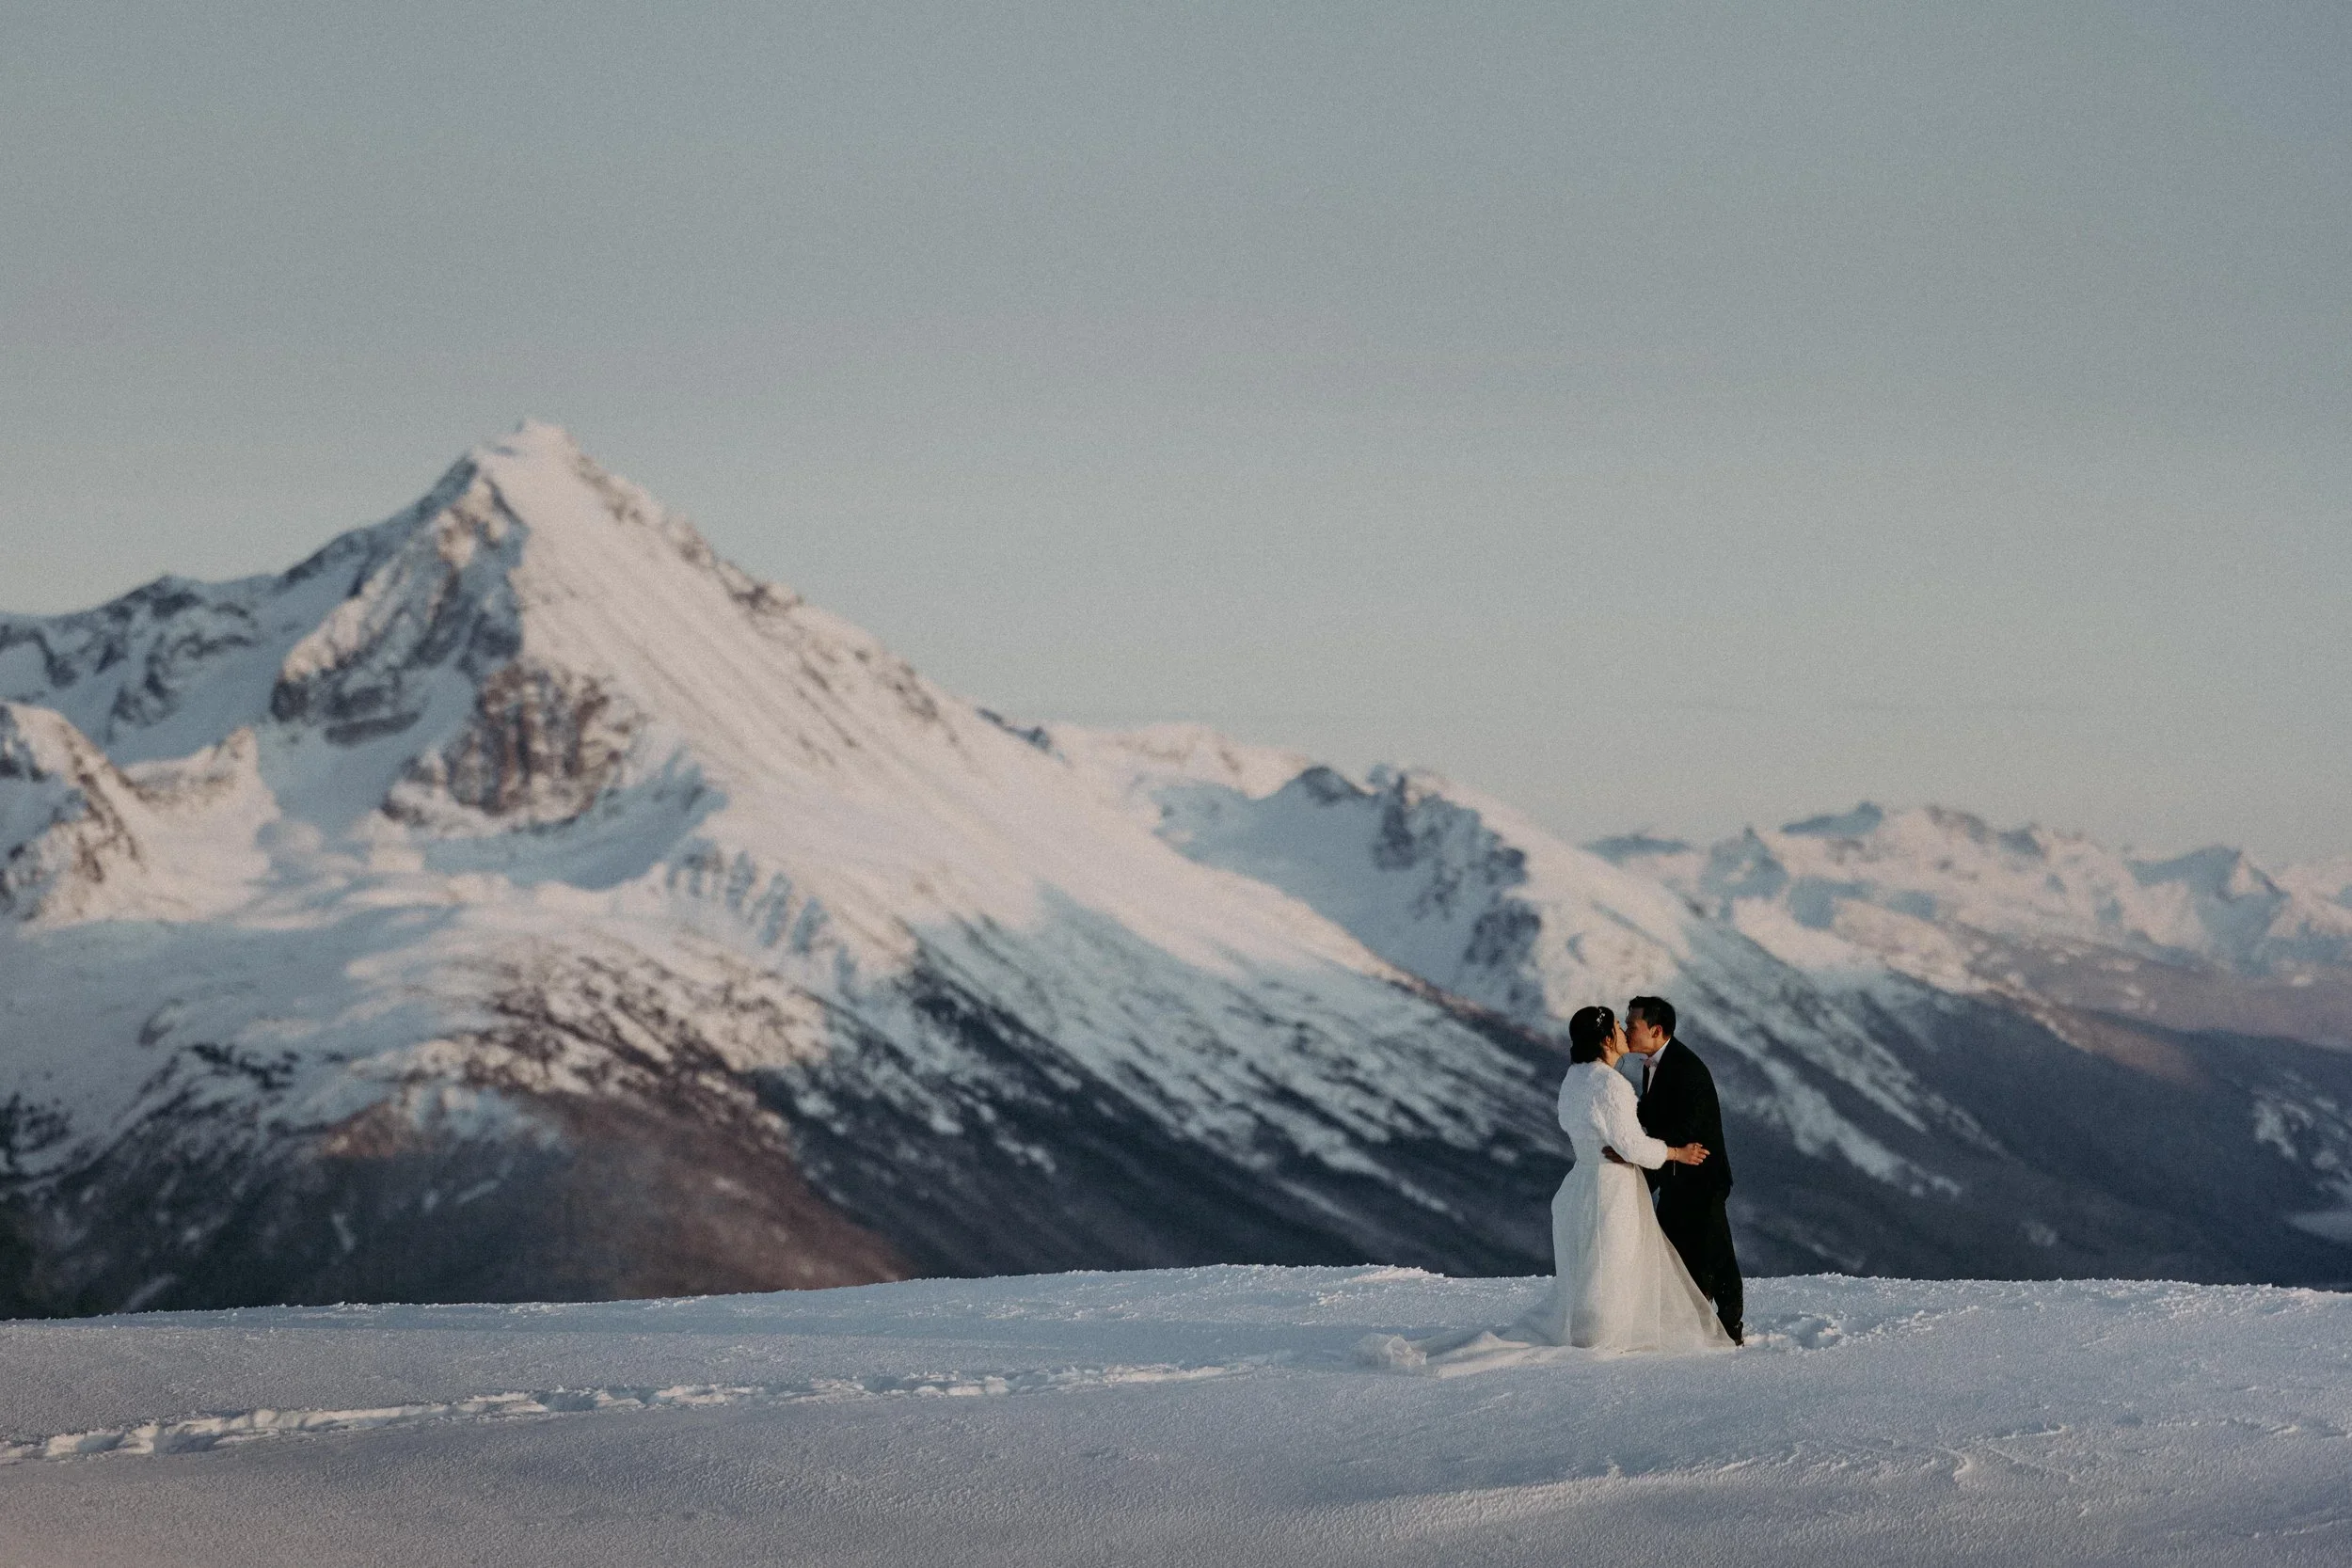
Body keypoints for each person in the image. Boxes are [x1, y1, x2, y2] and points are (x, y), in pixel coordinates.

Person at [1622, 995, 1743, 1344]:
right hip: (1676, 1177)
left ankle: (1731, 1329)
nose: (1626, 1030)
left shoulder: (1685, 1069)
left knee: (1716, 1253)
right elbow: (1654, 1115)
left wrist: (1645, 1163)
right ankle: (1695, 1326)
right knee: (1677, 1256)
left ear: (1656, 1030)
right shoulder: (1655, 1063)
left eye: (1632, 1025)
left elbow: (1686, 1127)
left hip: (1701, 1178)